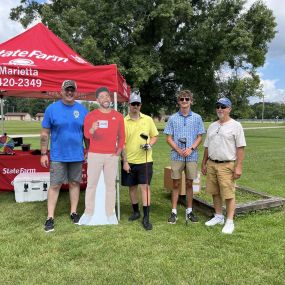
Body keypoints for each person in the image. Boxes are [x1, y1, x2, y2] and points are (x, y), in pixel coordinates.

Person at [41, 80, 88, 232]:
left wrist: (89, 150)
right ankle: (50, 217)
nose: (69, 92)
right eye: (67, 90)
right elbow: (45, 133)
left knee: (75, 183)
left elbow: (86, 135)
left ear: (75, 92)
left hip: (77, 155)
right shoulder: (52, 109)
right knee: (55, 185)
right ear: (61, 91)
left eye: (72, 90)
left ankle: (73, 212)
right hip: (58, 156)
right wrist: (43, 153)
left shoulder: (82, 110)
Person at [201, 98, 246, 234]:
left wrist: (238, 167)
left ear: (229, 109)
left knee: (228, 194)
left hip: (227, 165)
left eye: (223, 106)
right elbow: (207, 146)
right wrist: (203, 163)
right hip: (212, 163)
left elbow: (240, 148)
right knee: (214, 192)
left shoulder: (236, 125)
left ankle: (229, 221)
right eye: (218, 106)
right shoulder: (213, 126)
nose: (220, 109)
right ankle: (219, 216)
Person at [81, 87, 125, 224]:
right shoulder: (91, 115)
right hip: (94, 155)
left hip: (111, 156)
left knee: (110, 185)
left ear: (110, 98)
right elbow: (87, 135)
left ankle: (110, 213)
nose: (105, 98)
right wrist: (92, 129)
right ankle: (88, 212)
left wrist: (118, 153)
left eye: (107, 96)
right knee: (91, 185)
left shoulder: (118, 116)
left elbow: (122, 137)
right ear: (97, 100)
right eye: (102, 97)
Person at [164, 90, 205, 224]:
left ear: (191, 101)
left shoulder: (197, 118)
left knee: (189, 183)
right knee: (175, 183)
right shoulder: (173, 118)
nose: (184, 101)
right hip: (177, 156)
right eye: (182, 99)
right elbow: (168, 138)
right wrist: (178, 149)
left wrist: (191, 148)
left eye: (187, 99)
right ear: (178, 102)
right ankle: (174, 212)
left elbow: (200, 136)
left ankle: (189, 211)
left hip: (191, 156)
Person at [121, 93, 159, 230]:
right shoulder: (123, 121)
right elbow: (122, 143)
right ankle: (136, 212)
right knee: (132, 187)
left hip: (145, 160)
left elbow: (154, 136)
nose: (135, 106)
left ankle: (146, 217)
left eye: (137, 104)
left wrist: (150, 144)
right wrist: (124, 162)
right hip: (129, 160)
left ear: (140, 105)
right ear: (129, 105)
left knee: (145, 187)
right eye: (133, 104)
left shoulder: (148, 119)